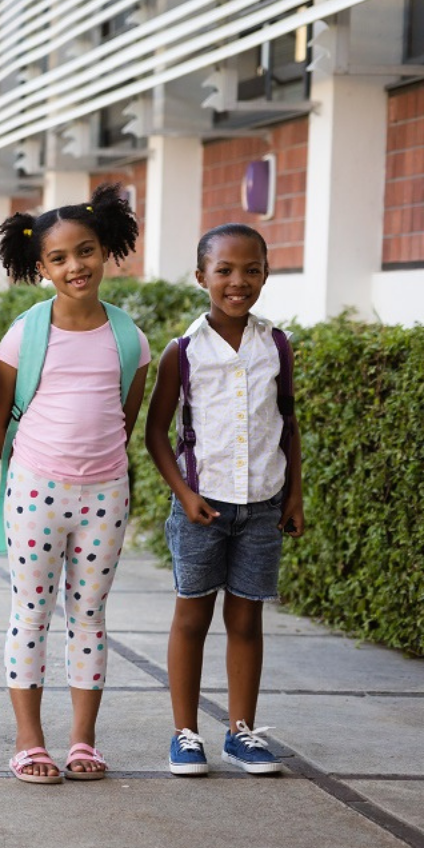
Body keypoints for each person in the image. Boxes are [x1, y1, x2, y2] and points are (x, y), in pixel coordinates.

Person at [0, 183, 149, 784]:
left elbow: (125, 415)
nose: (74, 266)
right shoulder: (26, 334)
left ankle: (83, 741)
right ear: (41, 266)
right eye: (59, 258)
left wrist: (95, 467)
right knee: (31, 613)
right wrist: (31, 465)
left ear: (106, 250)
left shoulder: (129, 337)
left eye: (85, 251)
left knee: (90, 616)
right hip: (35, 491)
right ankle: (30, 741)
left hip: (105, 494)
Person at [144, 222, 304, 776]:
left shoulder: (276, 345)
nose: (239, 282)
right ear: (201, 277)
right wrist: (184, 495)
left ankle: (241, 733)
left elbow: (287, 424)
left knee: (247, 619)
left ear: (265, 274)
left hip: (262, 505)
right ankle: (185, 734)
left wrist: (295, 496)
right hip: (203, 508)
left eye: (252, 270)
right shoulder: (183, 352)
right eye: (226, 271)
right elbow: (155, 434)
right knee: (192, 617)